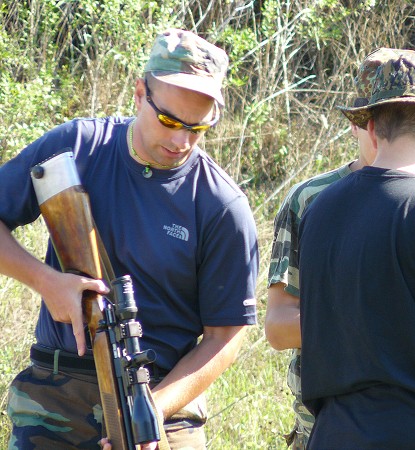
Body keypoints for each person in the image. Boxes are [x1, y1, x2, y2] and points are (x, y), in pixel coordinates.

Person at [0, 29, 258, 449]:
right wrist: (47, 282)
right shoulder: (78, 146)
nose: (182, 141)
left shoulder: (222, 205)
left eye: (198, 128)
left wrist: (153, 411)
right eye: (170, 121)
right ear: (140, 94)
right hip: (57, 392)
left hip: (159, 405)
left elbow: (225, 337)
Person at [265, 48, 415, 449]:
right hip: (326, 422)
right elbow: (278, 326)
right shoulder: (312, 200)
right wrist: (380, 321)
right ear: (366, 126)